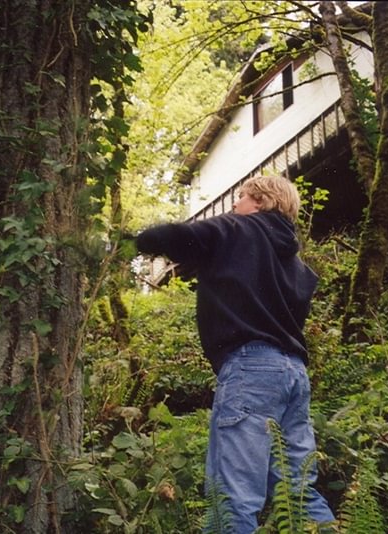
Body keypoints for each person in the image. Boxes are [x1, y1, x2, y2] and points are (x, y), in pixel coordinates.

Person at [135, 175, 334, 532]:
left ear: (260, 201)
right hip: (294, 374)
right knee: (299, 489)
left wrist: (141, 241)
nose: (234, 205)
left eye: (240, 197)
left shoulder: (239, 229)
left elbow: (182, 238)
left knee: (232, 497)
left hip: (250, 370)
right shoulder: (298, 267)